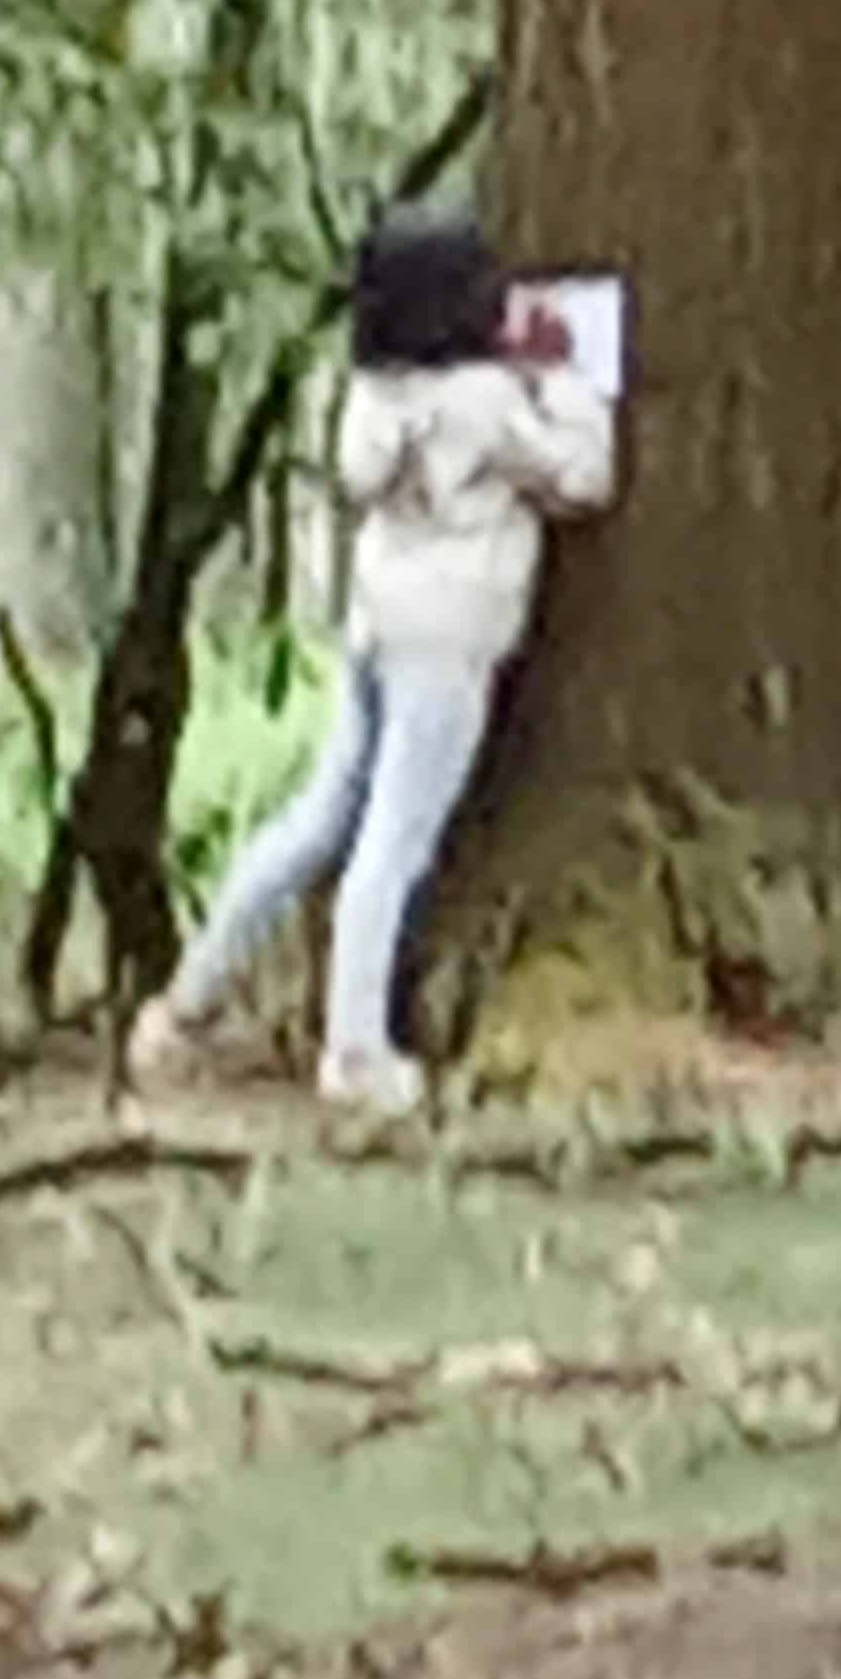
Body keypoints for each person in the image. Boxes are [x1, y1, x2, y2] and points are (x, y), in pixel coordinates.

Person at [128, 216, 616, 1115]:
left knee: (320, 817)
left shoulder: (371, 397)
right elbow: (582, 477)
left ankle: (189, 1000)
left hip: (378, 623)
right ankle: (354, 1052)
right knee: (394, 841)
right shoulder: (481, 400)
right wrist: (565, 379)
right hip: (449, 639)